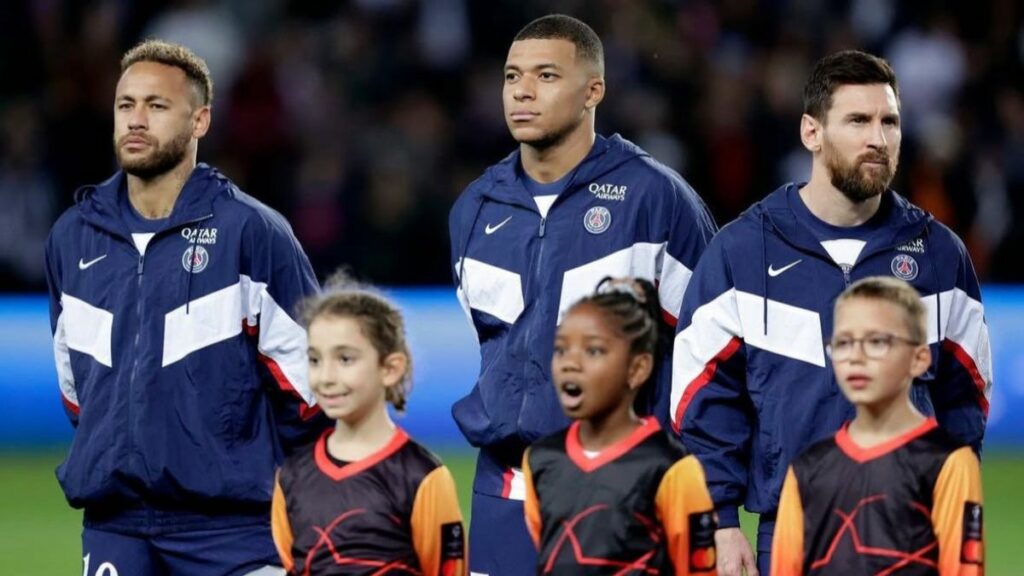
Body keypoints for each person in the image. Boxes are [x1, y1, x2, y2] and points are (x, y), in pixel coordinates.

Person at [671, 49, 992, 576]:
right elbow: (703, 399)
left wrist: (959, 517)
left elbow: (966, 399)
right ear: (811, 132)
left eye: (890, 121)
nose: (878, 139)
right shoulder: (742, 252)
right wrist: (721, 523)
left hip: (913, 531)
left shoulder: (938, 255)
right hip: (792, 530)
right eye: (858, 121)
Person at [44, 40, 327, 575]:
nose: (136, 119)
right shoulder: (72, 238)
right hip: (116, 525)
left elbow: (310, 391)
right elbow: (79, 392)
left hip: (236, 531)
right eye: (126, 105)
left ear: (199, 121)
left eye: (157, 106)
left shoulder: (253, 233)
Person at [448, 14, 717, 575]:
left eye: (546, 75)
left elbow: (706, 357)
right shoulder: (475, 208)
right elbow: (495, 348)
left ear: (594, 89)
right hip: (504, 490)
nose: (522, 91)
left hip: (624, 491)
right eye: (512, 76)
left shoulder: (656, 200)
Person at [771, 277, 984, 575]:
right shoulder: (807, 469)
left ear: (919, 358)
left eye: (877, 341)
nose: (856, 357)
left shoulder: (948, 463)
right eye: (843, 343)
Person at [271, 274, 466, 576]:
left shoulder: (422, 477)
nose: (326, 377)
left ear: (390, 369)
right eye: (314, 360)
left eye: (345, 359)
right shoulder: (292, 477)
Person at [523, 278, 718, 575]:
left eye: (593, 351)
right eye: (561, 349)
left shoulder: (670, 467)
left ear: (637, 368)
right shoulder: (539, 460)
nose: (569, 363)